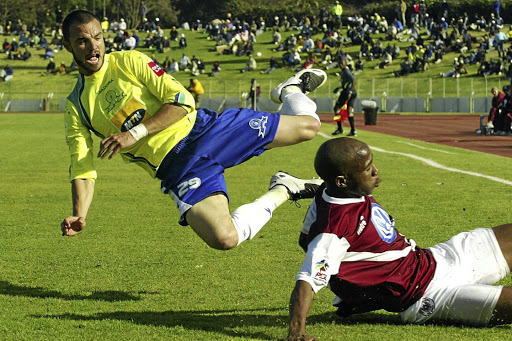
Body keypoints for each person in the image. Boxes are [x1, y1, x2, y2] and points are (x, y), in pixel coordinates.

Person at [60, 10, 327, 253]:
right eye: (82, 41)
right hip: (178, 168)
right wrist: (79, 213)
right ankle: (283, 189)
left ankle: (291, 90)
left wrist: (134, 134)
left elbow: (182, 101)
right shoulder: (77, 107)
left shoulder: (129, 61)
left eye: (98, 37)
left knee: (308, 127)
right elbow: (82, 166)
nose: (93, 46)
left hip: (206, 132)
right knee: (224, 238)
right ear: (68, 46)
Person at [287, 137, 512, 341]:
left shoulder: (333, 194)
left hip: (437, 258)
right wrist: (297, 333)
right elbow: (308, 278)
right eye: (367, 169)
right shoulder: (333, 233)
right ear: (342, 181)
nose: (375, 170)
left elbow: (304, 239)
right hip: (429, 295)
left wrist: (355, 288)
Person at [332, 58, 357, 136]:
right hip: (351, 92)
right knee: (349, 111)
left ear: (345, 64)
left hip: (347, 92)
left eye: (341, 64)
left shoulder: (346, 71)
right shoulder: (345, 71)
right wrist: (339, 87)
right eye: (339, 64)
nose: (340, 65)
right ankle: (353, 131)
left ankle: (340, 129)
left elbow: (354, 80)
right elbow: (347, 83)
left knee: (336, 108)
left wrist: (350, 91)